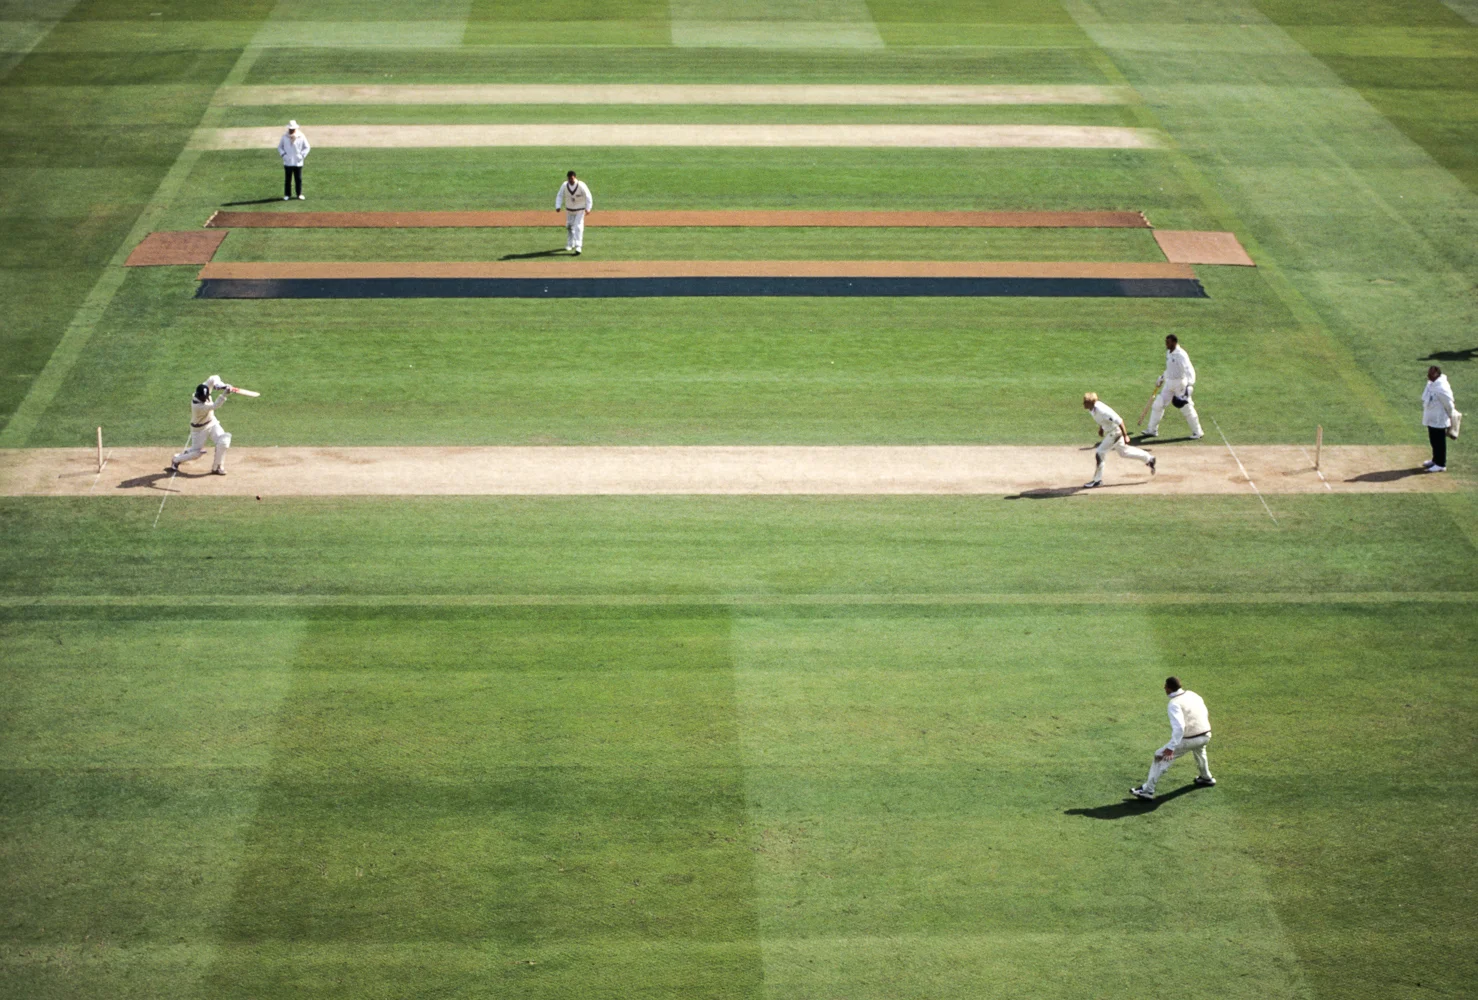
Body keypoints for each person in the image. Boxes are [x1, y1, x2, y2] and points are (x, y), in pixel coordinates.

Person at [1131, 676, 1215, 800]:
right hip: (1206, 735)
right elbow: (1203, 710)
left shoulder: (1174, 703)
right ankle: (1206, 777)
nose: (1164, 688)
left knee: (1160, 756)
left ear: (1169, 688)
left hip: (1189, 739)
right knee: (1200, 752)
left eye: (1165, 686)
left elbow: (1179, 728)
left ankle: (1147, 790)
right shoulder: (1192, 694)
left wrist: (1171, 747)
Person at [1082, 392, 1155, 488]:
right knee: (1124, 452)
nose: (1083, 404)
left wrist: (1125, 436)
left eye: (1085, 402)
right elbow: (1102, 420)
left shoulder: (1102, 410)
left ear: (1091, 403)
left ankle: (1097, 480)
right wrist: (1101, 428)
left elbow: (1119, 420)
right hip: (1110, 431)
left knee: (1099, 452)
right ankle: (1149, 459)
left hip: (1115, 432)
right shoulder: (1092, 409)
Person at [171, 376, 236, 475]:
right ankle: (176, 460)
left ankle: (217, 467)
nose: (205, 399)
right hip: (199, 429)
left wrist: (221, 385)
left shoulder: (204, 387)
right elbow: (215, 406)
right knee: (196, 454)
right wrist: (225, 393)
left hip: (212, 422)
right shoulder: (198, 406)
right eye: (203, 398)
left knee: (224, 441)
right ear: (198, 395)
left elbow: (213, 378)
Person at [1141, 334, 1202, 439]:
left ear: (1174, 342)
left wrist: (1190, 385)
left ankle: (1198, 432)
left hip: (1180, 384)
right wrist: (1162, 378)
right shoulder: (1169, 353)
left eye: (1168, 342)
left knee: (1186, 408)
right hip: (1169, 383)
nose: (1166, 344)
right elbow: (1170, 369)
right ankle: (1152, 430)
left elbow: (1189, 369)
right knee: (1158, 405)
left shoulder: (1181, 354)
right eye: (1166, 342)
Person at [1421, 365, 1459, 473]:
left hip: (1439, 419)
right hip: (1432, 417)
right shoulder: (1431, 384)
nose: (1428, 375)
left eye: (1431, 373)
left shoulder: (1442, 387)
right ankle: (1435, 460)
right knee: (1433, 441)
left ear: (1437, 374)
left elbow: (1449, 403)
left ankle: (1441, 464)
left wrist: (1451, 416)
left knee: (1439, 442)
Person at [555, 170, 592, 254]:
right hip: (569, 210)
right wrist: (558, 205)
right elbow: (560, 195)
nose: (570, 180)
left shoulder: (581, 185)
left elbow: (588, 196)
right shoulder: (565, 185)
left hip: (580, 210)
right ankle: (570, 243)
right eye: (569, 179)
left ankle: (578, 246)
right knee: (569, 226)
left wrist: (588, 208)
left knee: (578, 227)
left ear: (575, 177)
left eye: (572, 178)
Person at [278, 120, 310, 201]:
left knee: (298, 179)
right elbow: (280, 147)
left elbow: (307, 147)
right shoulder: (284, 136)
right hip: (288, 161)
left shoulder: (301, 136)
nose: (291, 130)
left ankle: (299, 194)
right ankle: (287, 194)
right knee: (288, 179)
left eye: (292, 129)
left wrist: (302, 155)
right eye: (290, 129)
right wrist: (284, 155)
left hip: (298, 162)